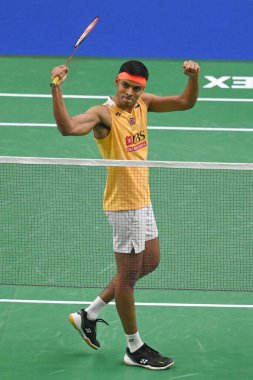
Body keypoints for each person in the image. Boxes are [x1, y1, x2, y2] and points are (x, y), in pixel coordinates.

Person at [51, 59, 200, 370]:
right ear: (116, 83)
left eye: (136, 88)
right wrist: (56, 89)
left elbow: (185, 102)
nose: (130, 92)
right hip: (124, 206)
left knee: (151, 261)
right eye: (125, 85)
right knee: (128, 279)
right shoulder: (103, 114)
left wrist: (193, 78)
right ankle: (134, 347)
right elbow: (68, 128)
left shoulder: (143, 105)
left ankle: (88, 315)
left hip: (143, 198)